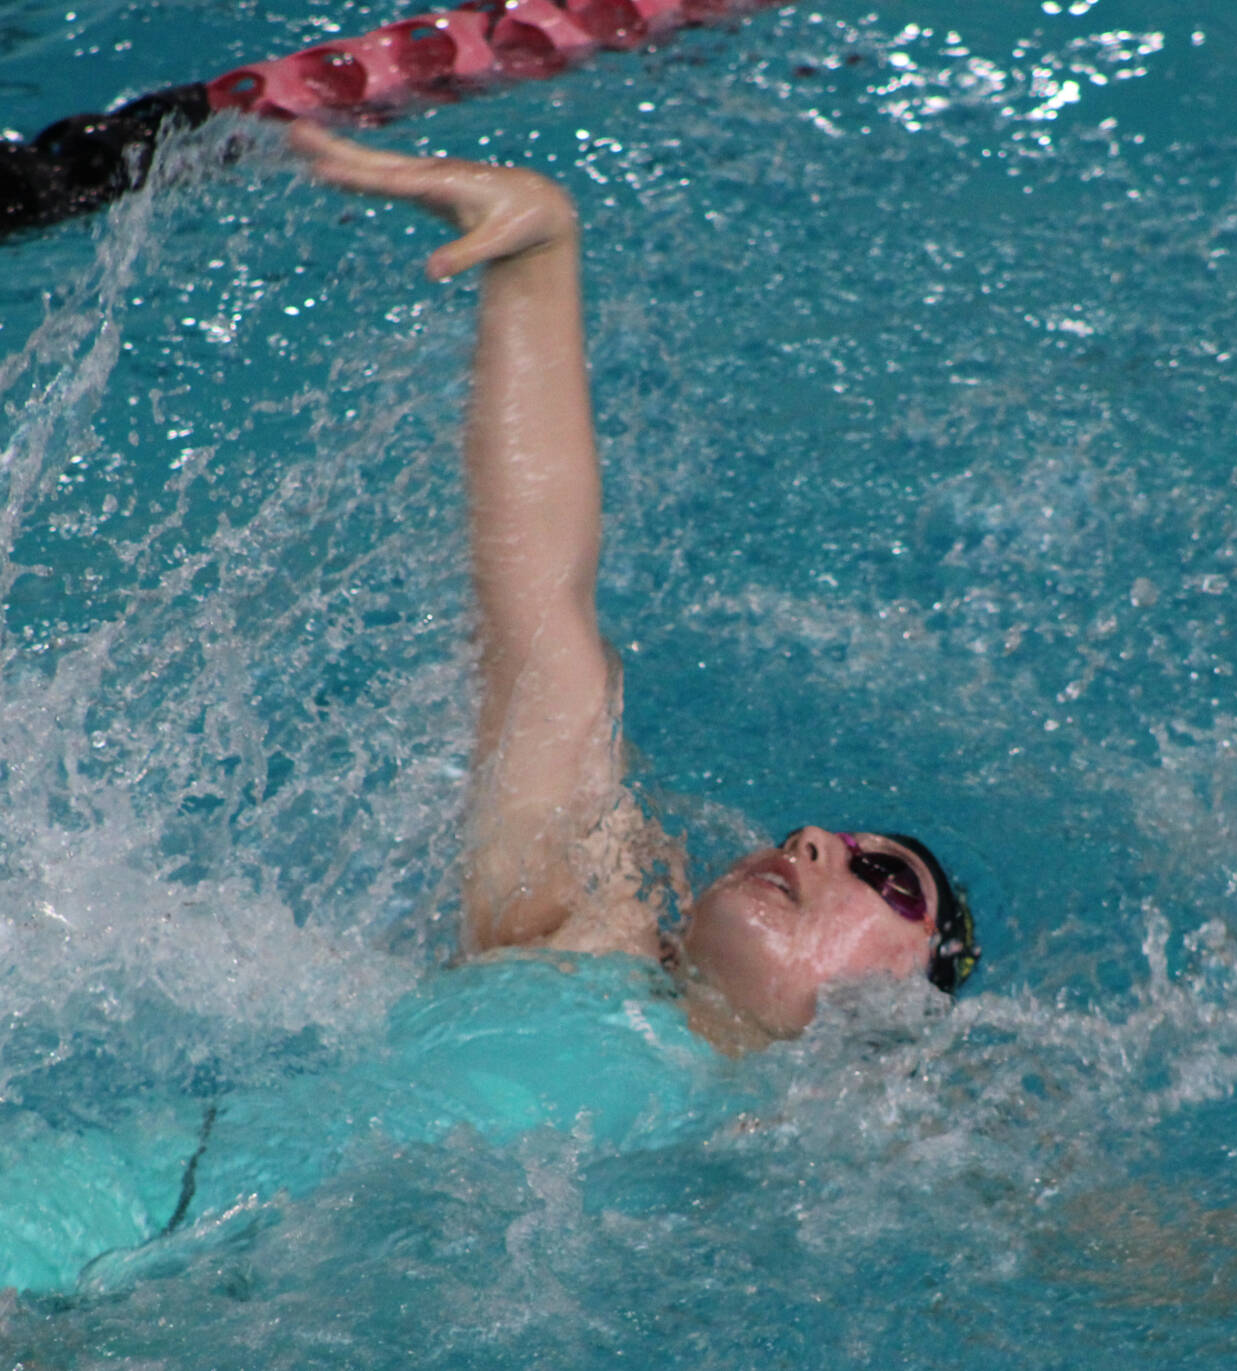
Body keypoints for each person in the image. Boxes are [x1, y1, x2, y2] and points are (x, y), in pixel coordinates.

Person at [287, 125, 978, 1052]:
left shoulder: (876, 1137)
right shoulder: (579, 939)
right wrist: (537, 259)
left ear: (908, 1015)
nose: (812, 836)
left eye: (885, 879)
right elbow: (544, 614)